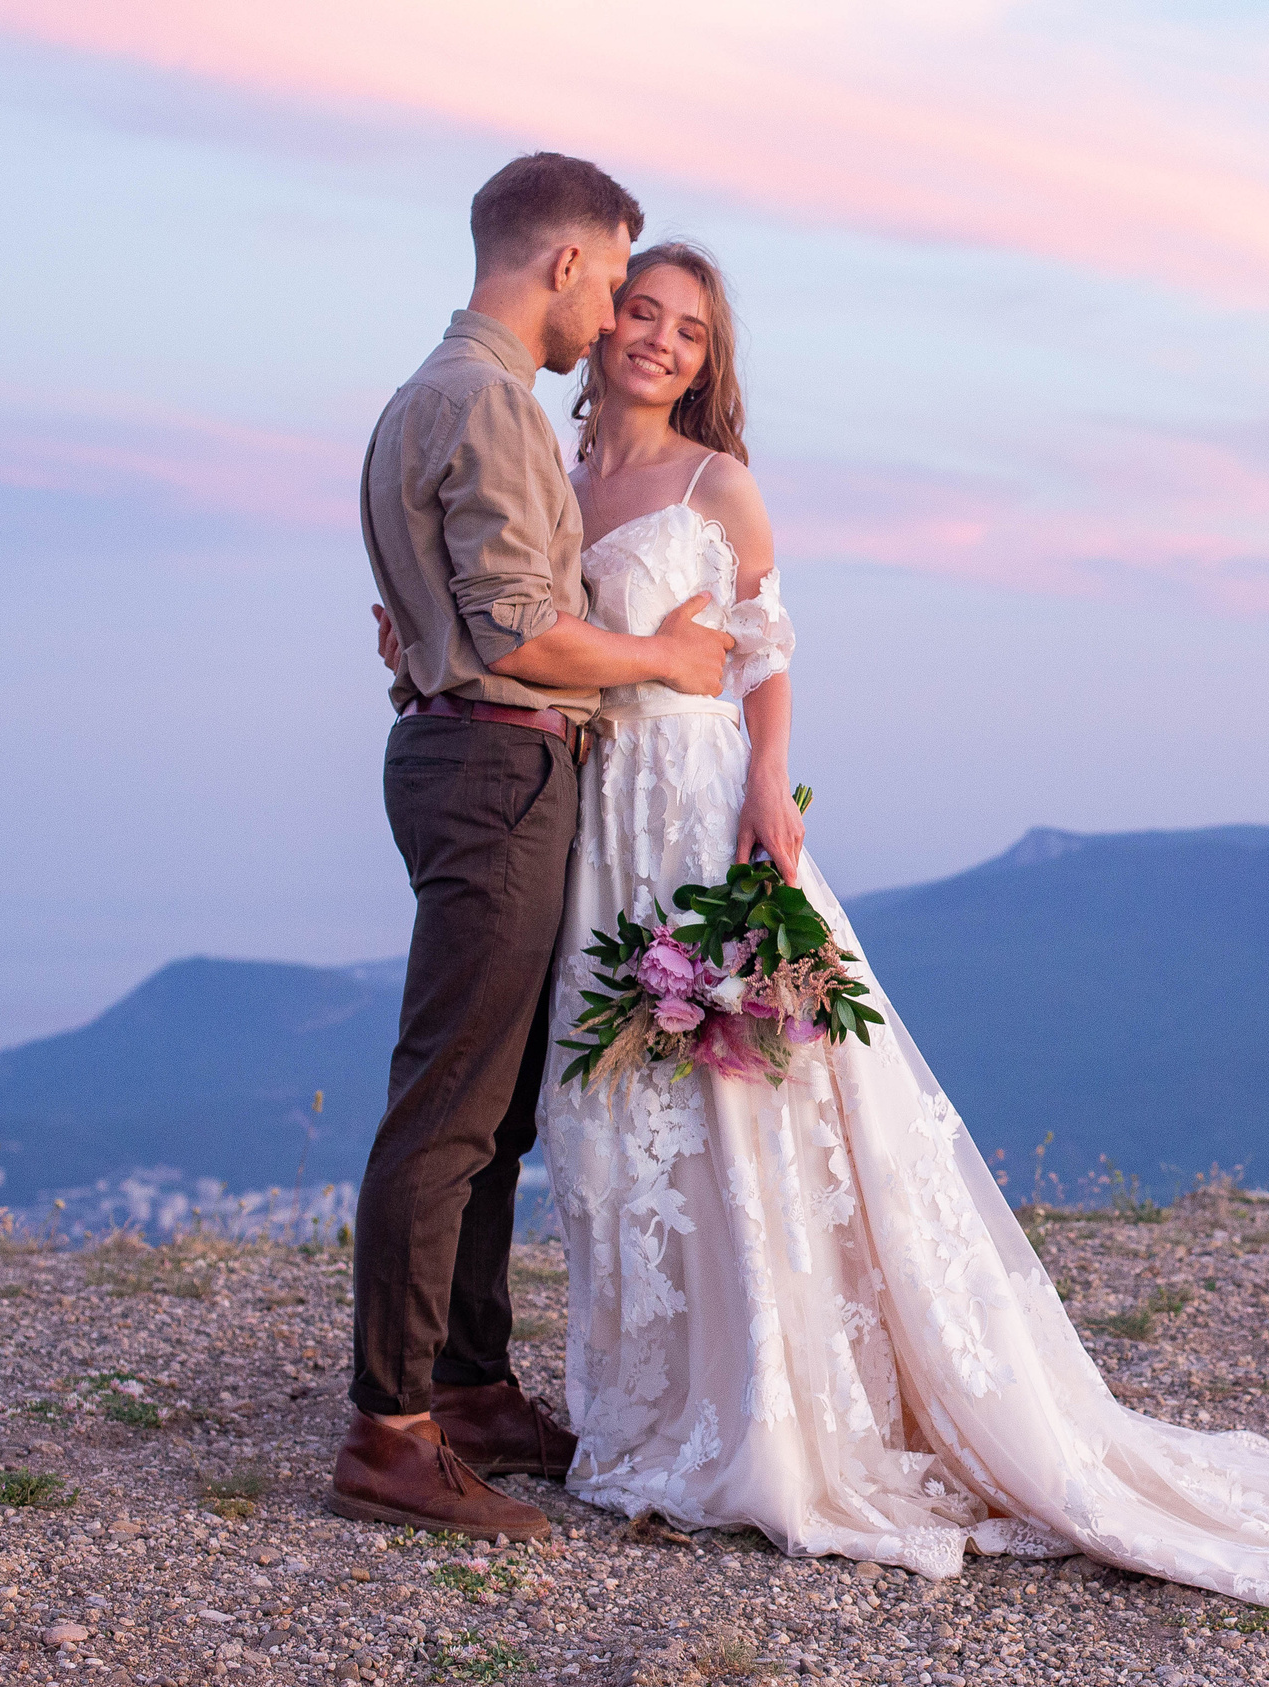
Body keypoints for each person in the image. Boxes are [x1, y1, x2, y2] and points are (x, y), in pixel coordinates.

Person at [532, 242, 1269, 1651]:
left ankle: (777, 1408)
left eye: (691, 330)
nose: (660, 340)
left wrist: (771, 784)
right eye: (643, 313)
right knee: (629, 1106)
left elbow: (764, 652)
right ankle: (659, 1404)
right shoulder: (561, 481)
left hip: (701, 800)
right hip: (604, 816)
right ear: (602, 321)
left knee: (753, 1088)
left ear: (711, 360)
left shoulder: (718, 483)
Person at [333, 154, 734, 1541]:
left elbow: (440, 610)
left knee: (495, 1104)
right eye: (614, 281)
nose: (615, 312)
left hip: (472, 758)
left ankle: (470, 1386)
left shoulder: (424, 393)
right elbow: (518, 630)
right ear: (565, 265)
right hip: (495, 763)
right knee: (451, 1103)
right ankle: (391, 1433)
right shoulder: (495, 403)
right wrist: (668, 661)